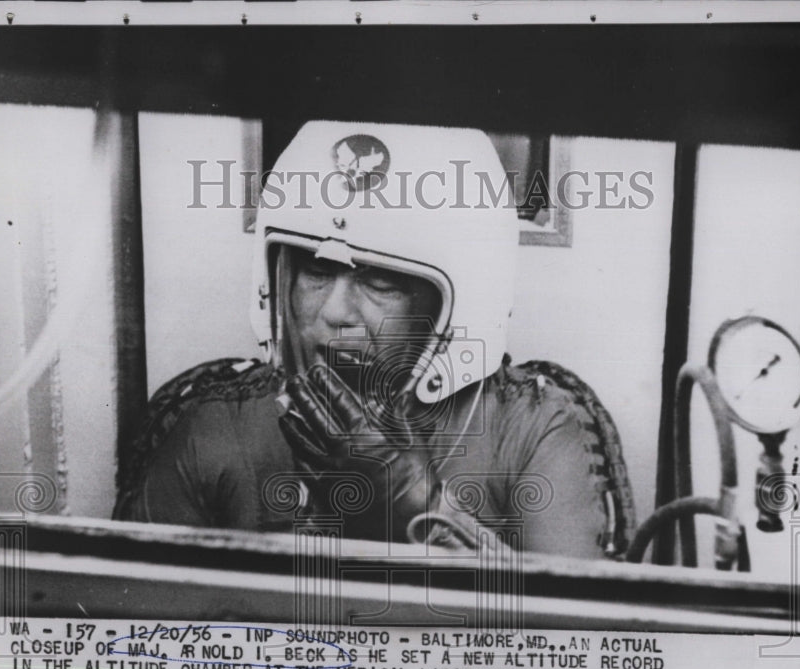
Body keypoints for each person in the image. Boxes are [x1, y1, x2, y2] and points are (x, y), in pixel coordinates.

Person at [114, 122, 634, 558]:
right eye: (317, 273)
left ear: (452, 308)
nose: (336, 312)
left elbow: (576, 645)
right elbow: (134, 635)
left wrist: (417, 507)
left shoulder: (533, 429)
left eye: (380, 281)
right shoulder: (218, 426)